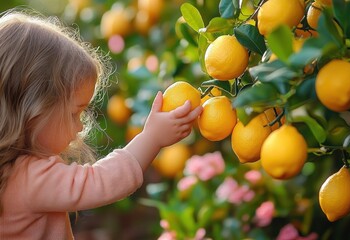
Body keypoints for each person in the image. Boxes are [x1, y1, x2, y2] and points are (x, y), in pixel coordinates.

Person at [0, 9, 203, 239]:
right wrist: (152, 138)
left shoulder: (10, 173)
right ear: (33, 111)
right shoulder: (28, 178)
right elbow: (101, 182)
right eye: (74, 113)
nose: (79, 127)